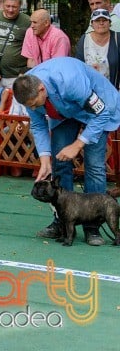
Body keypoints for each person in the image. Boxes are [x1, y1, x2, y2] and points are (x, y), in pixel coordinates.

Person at [13, 57, 119, 246]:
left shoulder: (70, 81)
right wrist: (45, 159)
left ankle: (92, 226)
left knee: (94, 166)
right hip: (63, 111)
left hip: (97, 110)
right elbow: (38, 125)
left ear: (41, 89)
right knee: (59, 161)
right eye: (29, 106)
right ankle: (61, 221)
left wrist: (78, 144)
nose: (32, 108)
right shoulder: (27, 87)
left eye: (34, 103)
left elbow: (100, 112)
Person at [74, 8, 120, 88]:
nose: (101, 23)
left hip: (114, 90)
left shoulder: (118, 38)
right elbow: (78, 66)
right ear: (92, 24)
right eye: (97, 20)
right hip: (91, 90)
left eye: (104, 20)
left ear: (110, 23)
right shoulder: (84, 40)